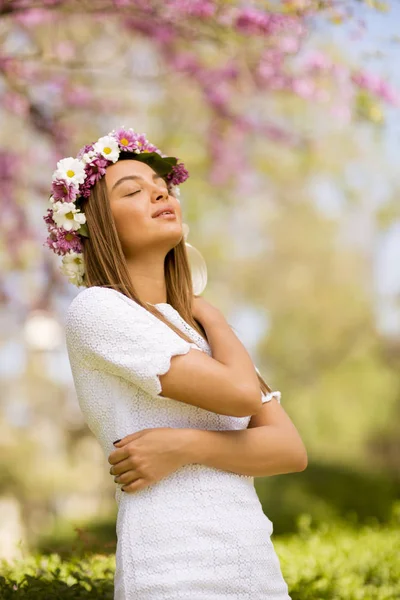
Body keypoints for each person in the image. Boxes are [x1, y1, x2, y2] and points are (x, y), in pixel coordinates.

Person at [43, 126, 307, 599]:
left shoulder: (205, 330)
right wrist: (213, 319)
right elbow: (244, 397)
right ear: (100, 224)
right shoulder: (98, 311)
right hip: (173, 567)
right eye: (132, 190)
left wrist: (185, 444)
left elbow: (289, 449)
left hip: (256, 568)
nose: (159, 191)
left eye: (160, 186)